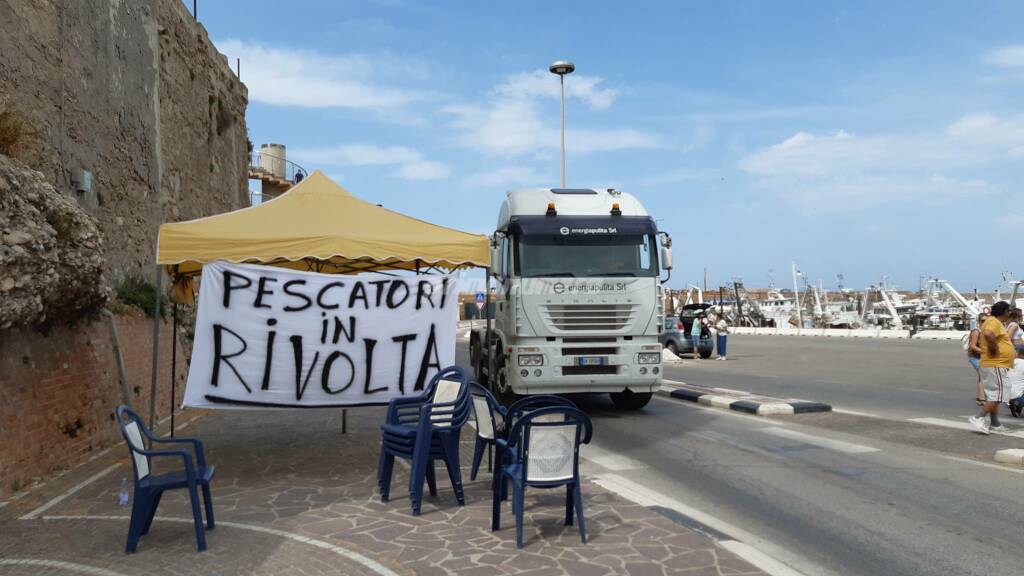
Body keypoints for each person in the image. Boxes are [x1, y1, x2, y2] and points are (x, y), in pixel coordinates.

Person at [969, 301, 1016, 434]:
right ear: (1004, 312)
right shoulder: (994, 322)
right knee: (999, 396)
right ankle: (978, 417)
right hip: (996, 364)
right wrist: (995, 348)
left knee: (993, 396)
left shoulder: (993, 322)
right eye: (1008, 311)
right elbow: (989, 334)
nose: (1009, 314)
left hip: (993, 364)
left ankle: (995, 423)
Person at [967, 312, 988, 405]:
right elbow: (973, 346)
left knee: (981, 377)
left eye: (987, 321)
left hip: (982, 357)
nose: (985, 322)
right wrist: (984, 351)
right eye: (983, 321)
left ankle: (979, 398)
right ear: (978, 321)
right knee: (982, 376)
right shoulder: (976, 331)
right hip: (974, 357)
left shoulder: (985, 331)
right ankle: (981, 399)